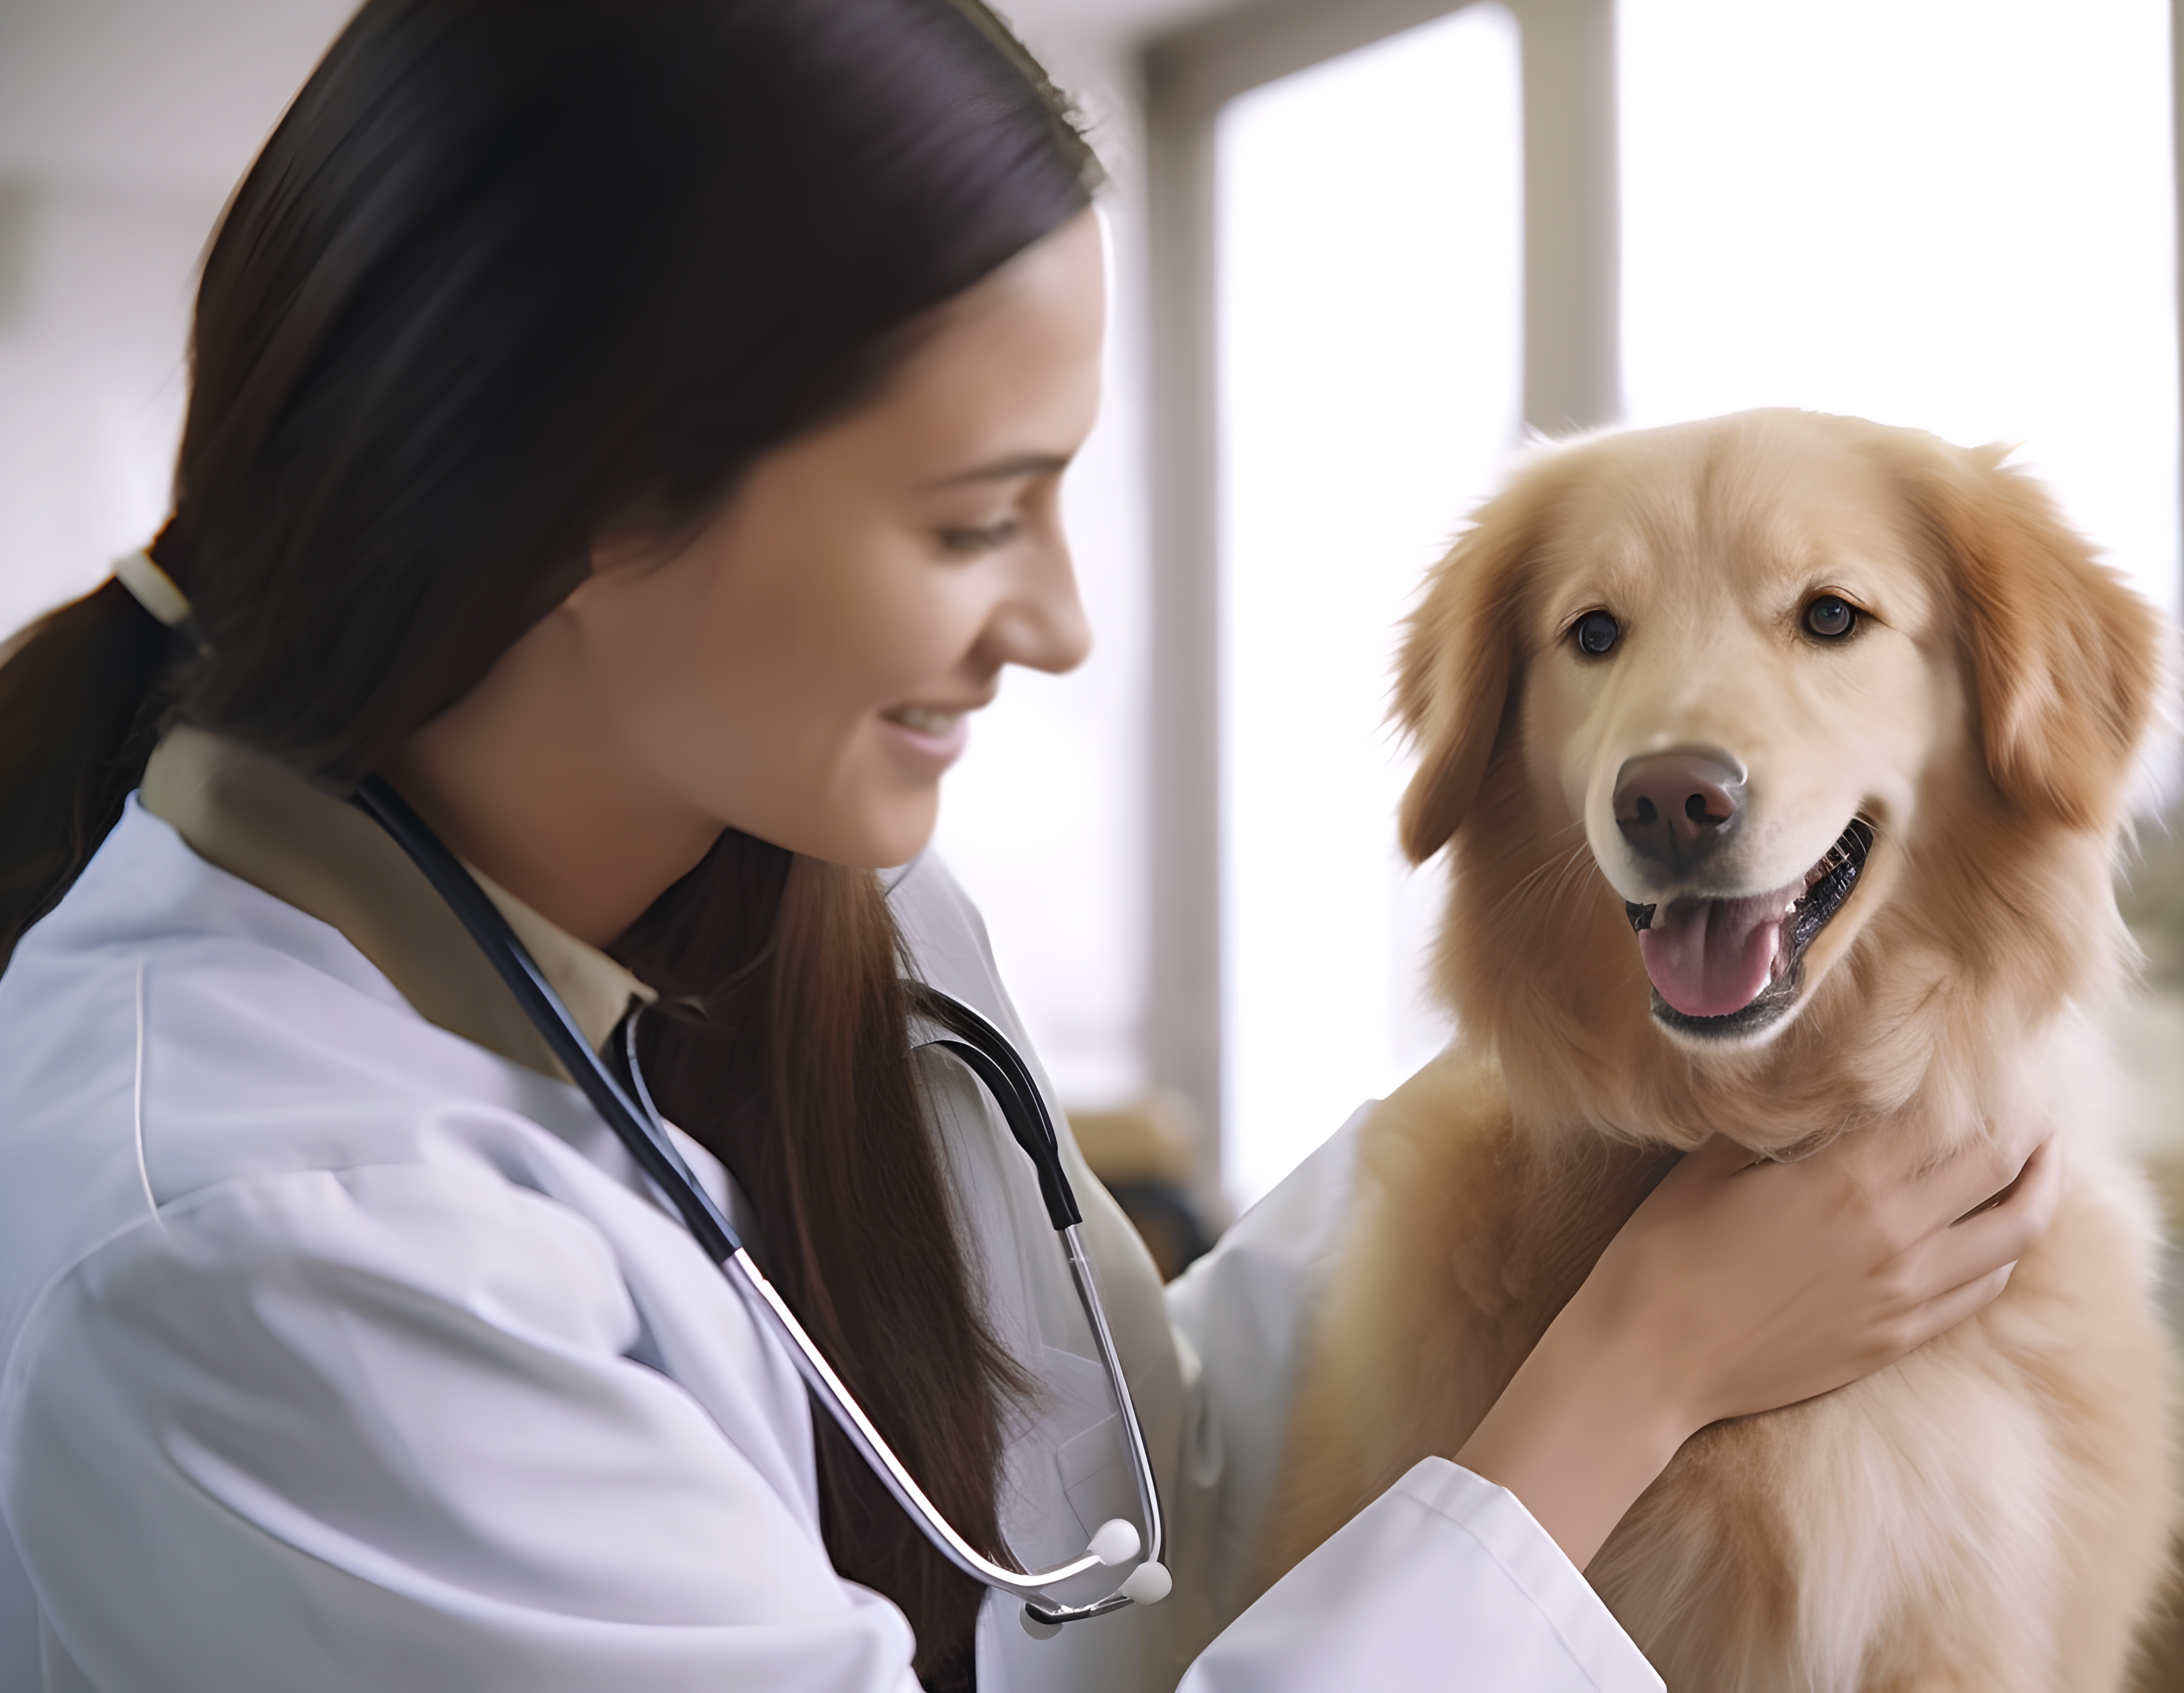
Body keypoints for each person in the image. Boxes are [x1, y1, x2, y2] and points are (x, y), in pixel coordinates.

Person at [0, 3, 2058, 1689]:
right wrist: (1637, 1365)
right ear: (593, 498)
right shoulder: (264, 1246)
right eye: (977, 517)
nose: (1063, 624)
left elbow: (1127, 1500)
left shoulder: (827, 902)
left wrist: (1584, 1121)